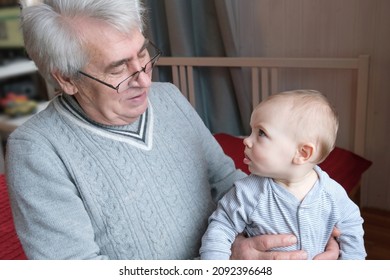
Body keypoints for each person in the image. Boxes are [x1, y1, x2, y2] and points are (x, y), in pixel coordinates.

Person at [6, 0, 338, 260]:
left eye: (142, 54)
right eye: (119, 67)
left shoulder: (169, 99)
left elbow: (226, 180)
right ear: (66, 79)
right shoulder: (37, 149)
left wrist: (303, 219)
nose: (145, 78)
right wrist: (223, 260)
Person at [200, 90, 366, 260]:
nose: (247, 140)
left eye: (261, 133)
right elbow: (220, 228)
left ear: (303, 153)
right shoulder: (247, 192)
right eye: (252, 131)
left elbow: (351, 227)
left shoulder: (332, 194)